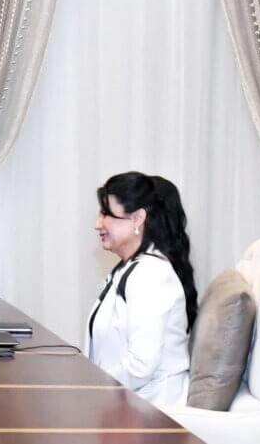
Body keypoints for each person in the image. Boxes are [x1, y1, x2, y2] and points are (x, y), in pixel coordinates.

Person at [84, 171, 198, 406]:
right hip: (126, 404)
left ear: (137, 219)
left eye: (106, 214)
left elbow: (140, 366)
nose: (97, 224)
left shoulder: (150, 274)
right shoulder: (130, 268)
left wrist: (89, 388)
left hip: (150, 412)